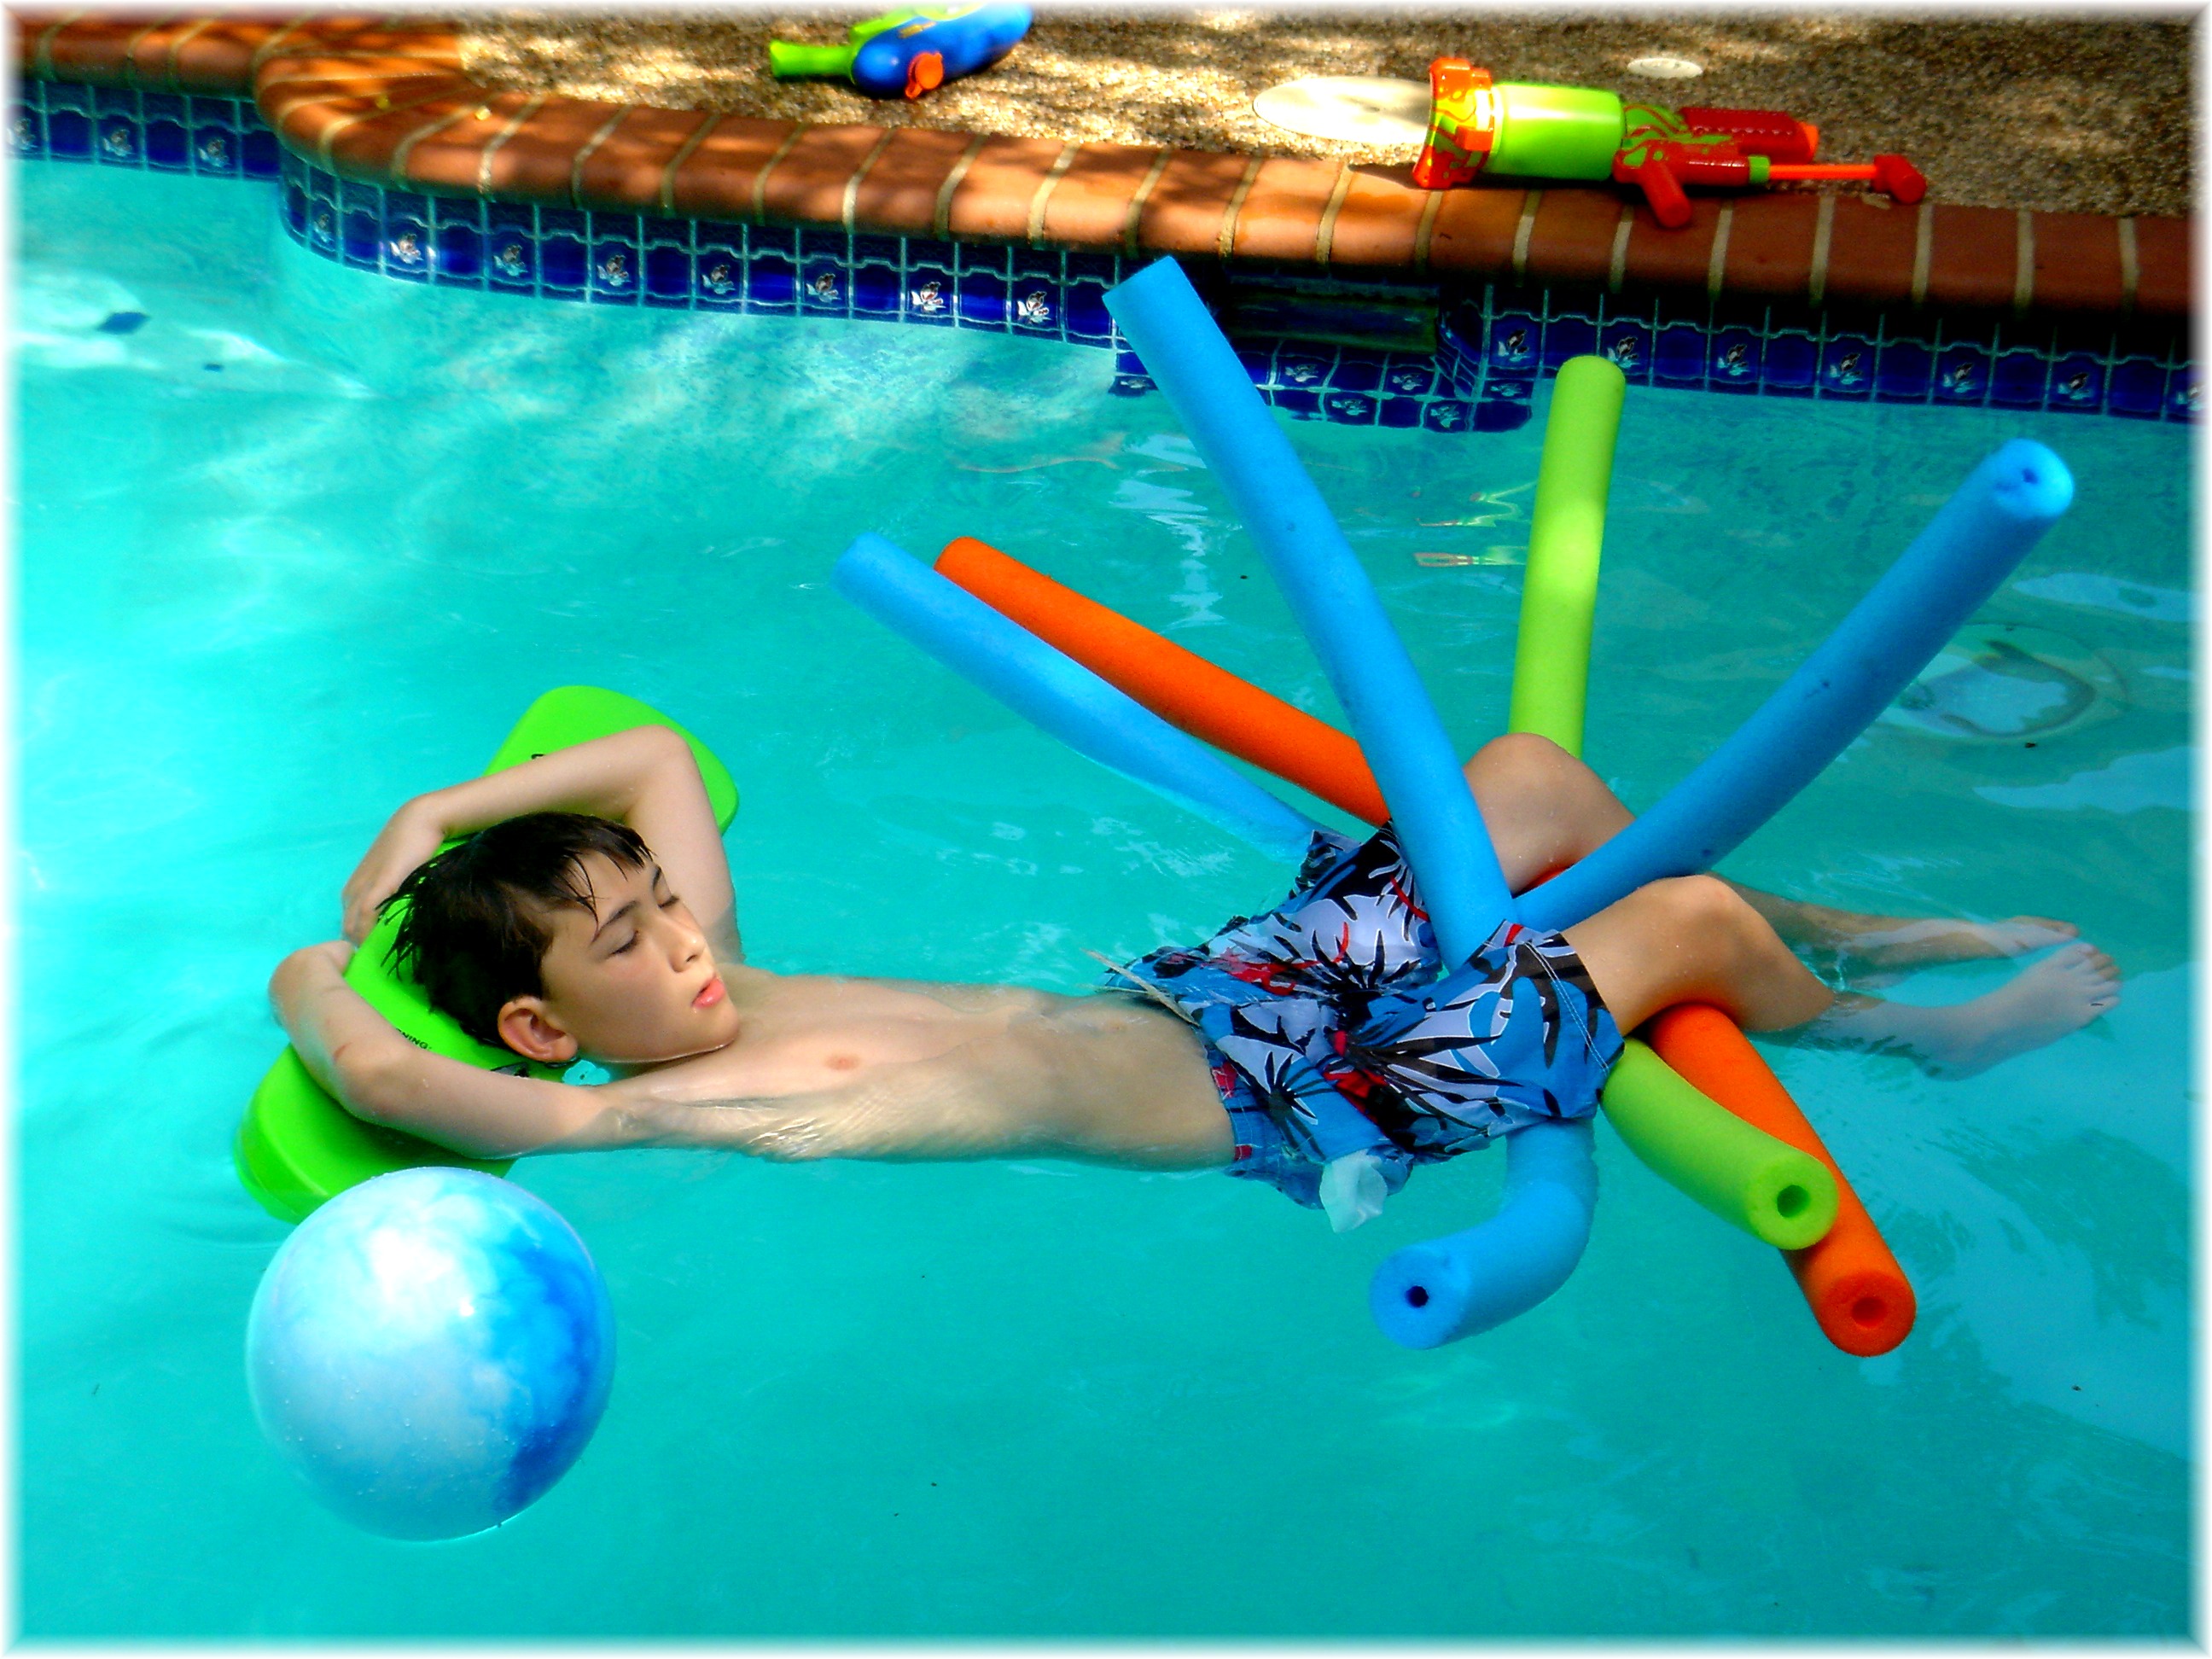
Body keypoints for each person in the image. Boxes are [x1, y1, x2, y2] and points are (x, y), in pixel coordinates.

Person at [269, 724, 2120, 1227]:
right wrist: (312, 971)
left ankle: (1856, 928)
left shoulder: (725, 979)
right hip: (1313, 1105)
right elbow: (392, 1080)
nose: (682, 942)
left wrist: (435, 817)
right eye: (629, 944)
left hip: (1232, 990)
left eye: (665, 907)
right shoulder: (676, 1103)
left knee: (1530, 784)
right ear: (546, 1032)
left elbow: (658, 755)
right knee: (1686, 926)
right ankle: (1914, 1035)